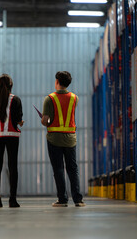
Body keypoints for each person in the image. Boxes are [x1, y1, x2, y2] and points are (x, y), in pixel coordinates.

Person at [41, 71, 85, 207]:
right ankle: (78, 200)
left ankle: (62, 199)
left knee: (58, 169)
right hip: (71, 139)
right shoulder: (74, 98)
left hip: (54, 139)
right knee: (73, 168)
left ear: (57, 82)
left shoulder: (49, 99)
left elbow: (46, 120)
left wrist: (45, 121)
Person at [0, 74, 24, 208]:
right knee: (12, 167)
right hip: (12, 136)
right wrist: (20, 122)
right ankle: (12, 199)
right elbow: (18, 118)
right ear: (11, 86)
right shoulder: (16, 100)